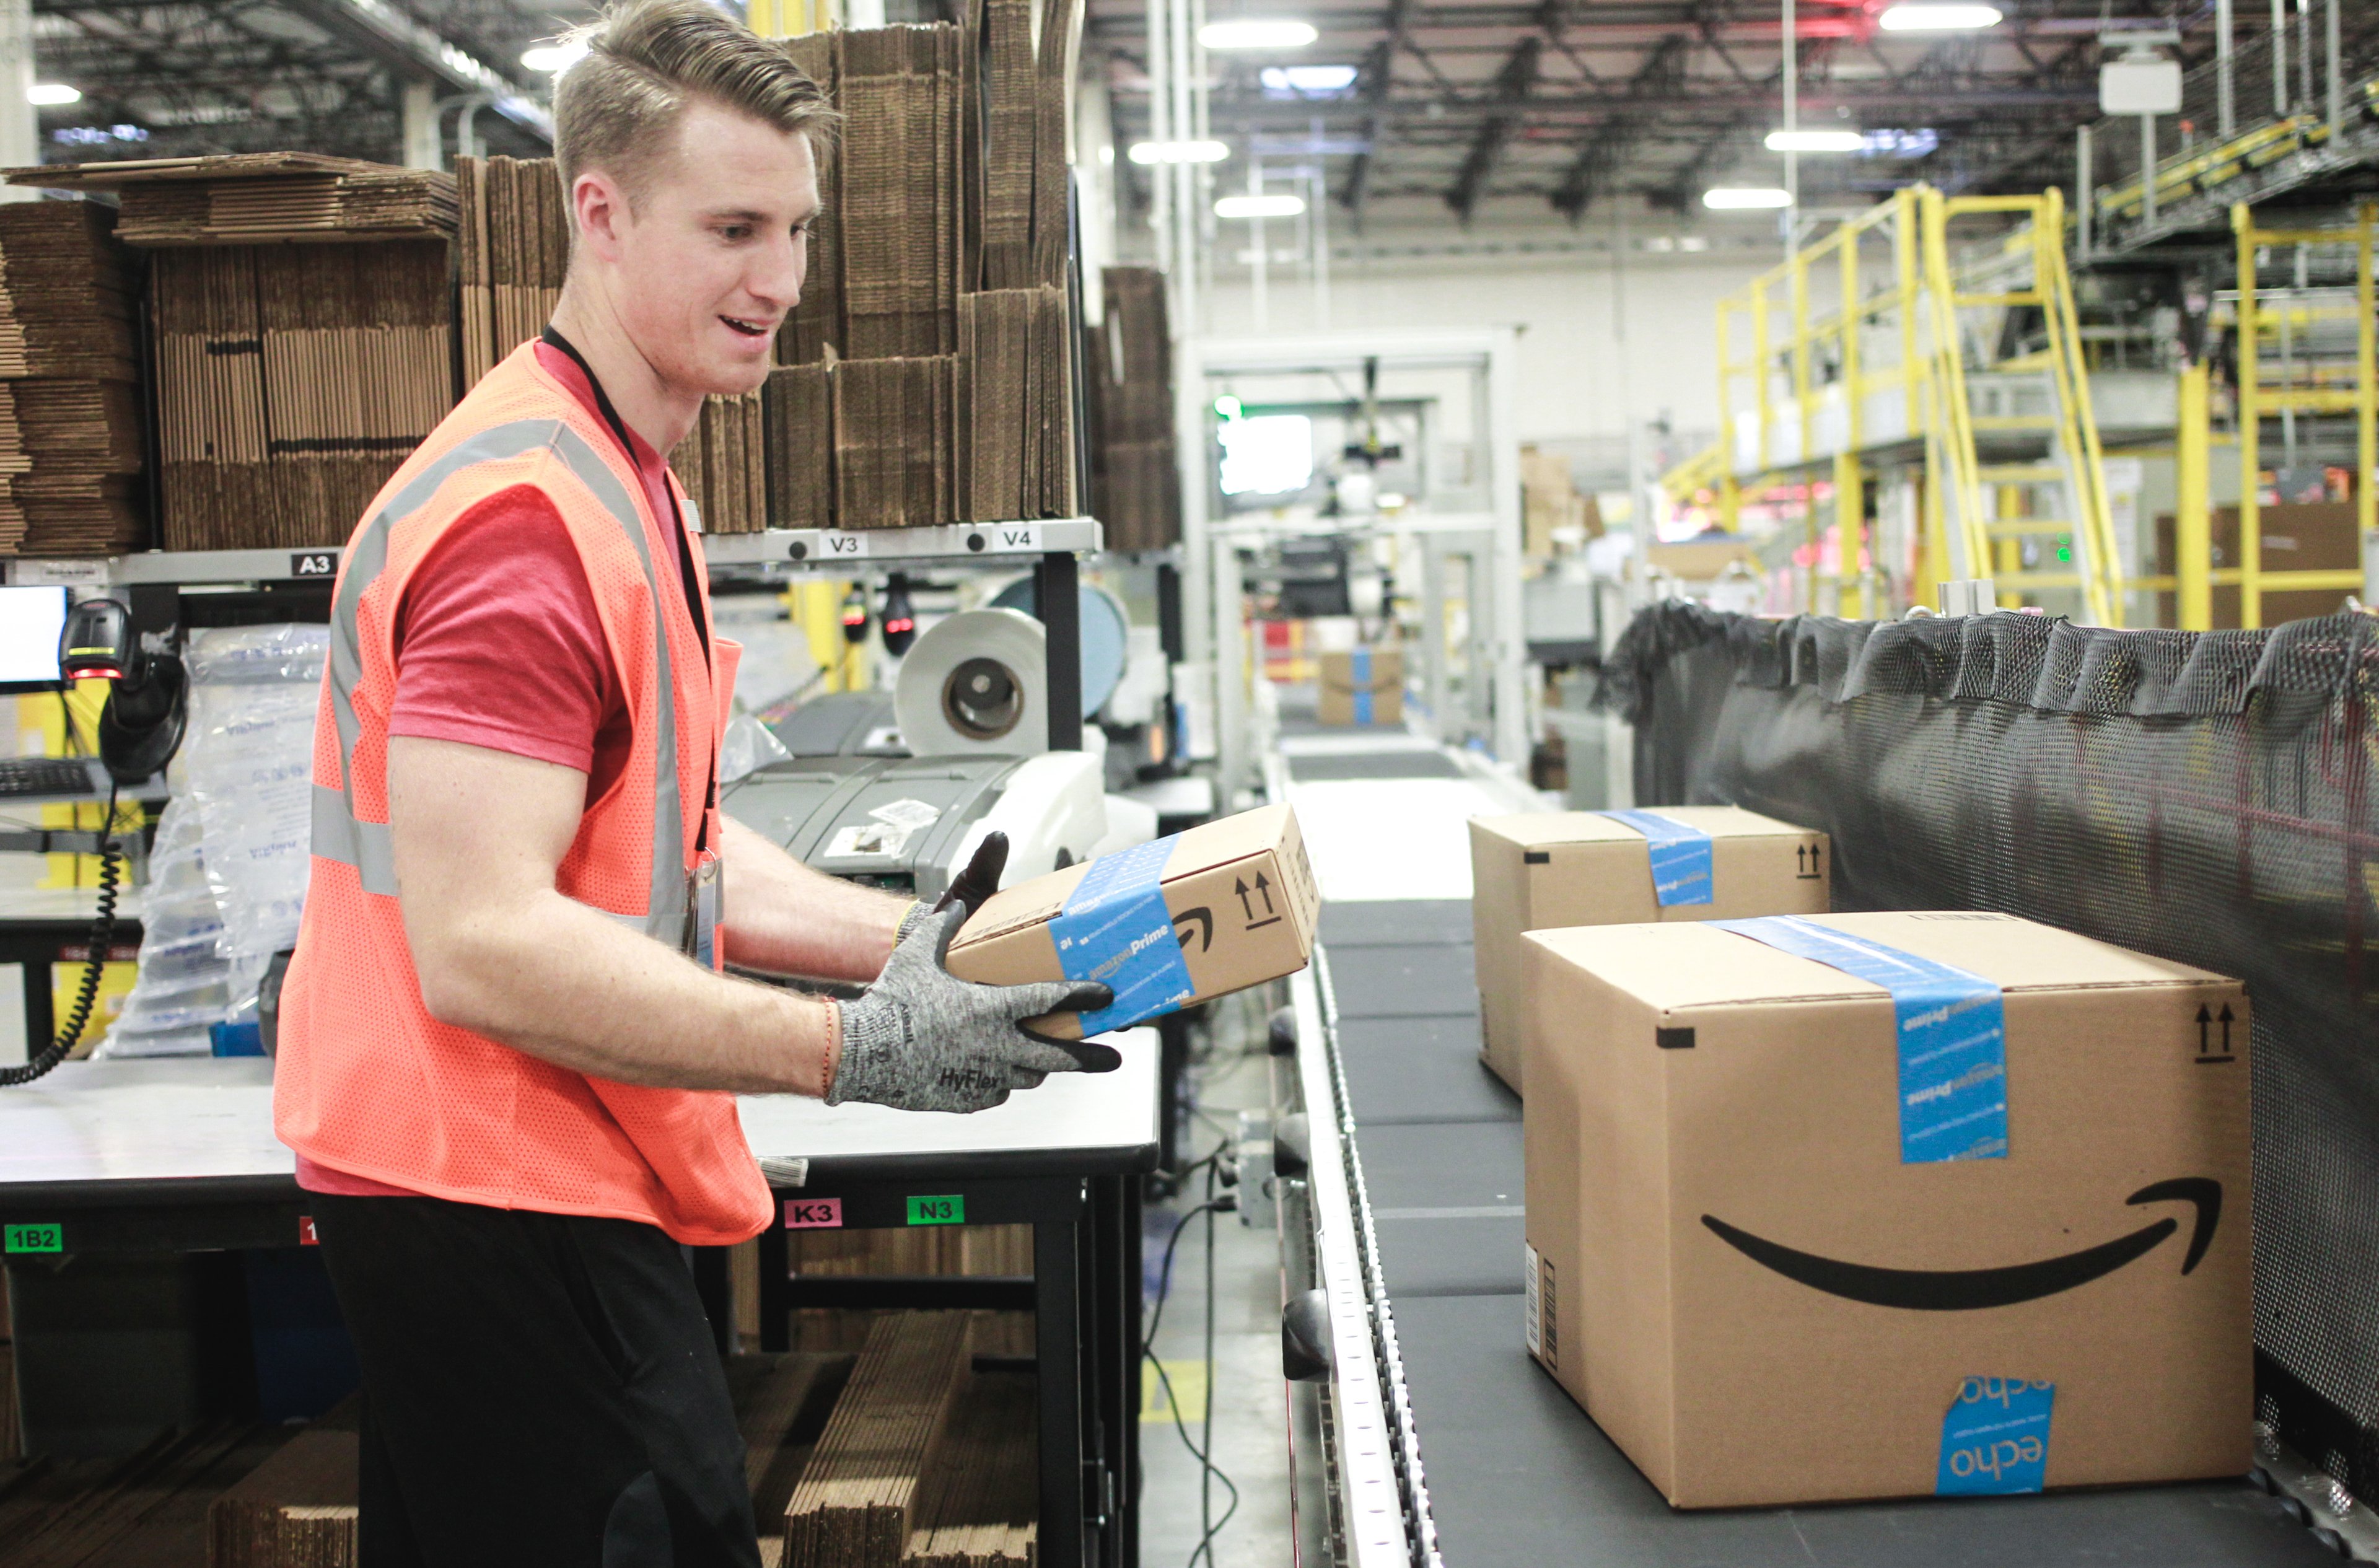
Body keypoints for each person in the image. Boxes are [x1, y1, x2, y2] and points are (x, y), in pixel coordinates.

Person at [271, 4, 1112, 1562]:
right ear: (599, 210)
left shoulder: (627, 470)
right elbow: (485, 942)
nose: (780, 279)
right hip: (491, 1183)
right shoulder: (524, 521)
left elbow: (665, 846)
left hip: (516, 1168)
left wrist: (923, 943)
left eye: (794, 227)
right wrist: (849, 1051)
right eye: (733, 227)